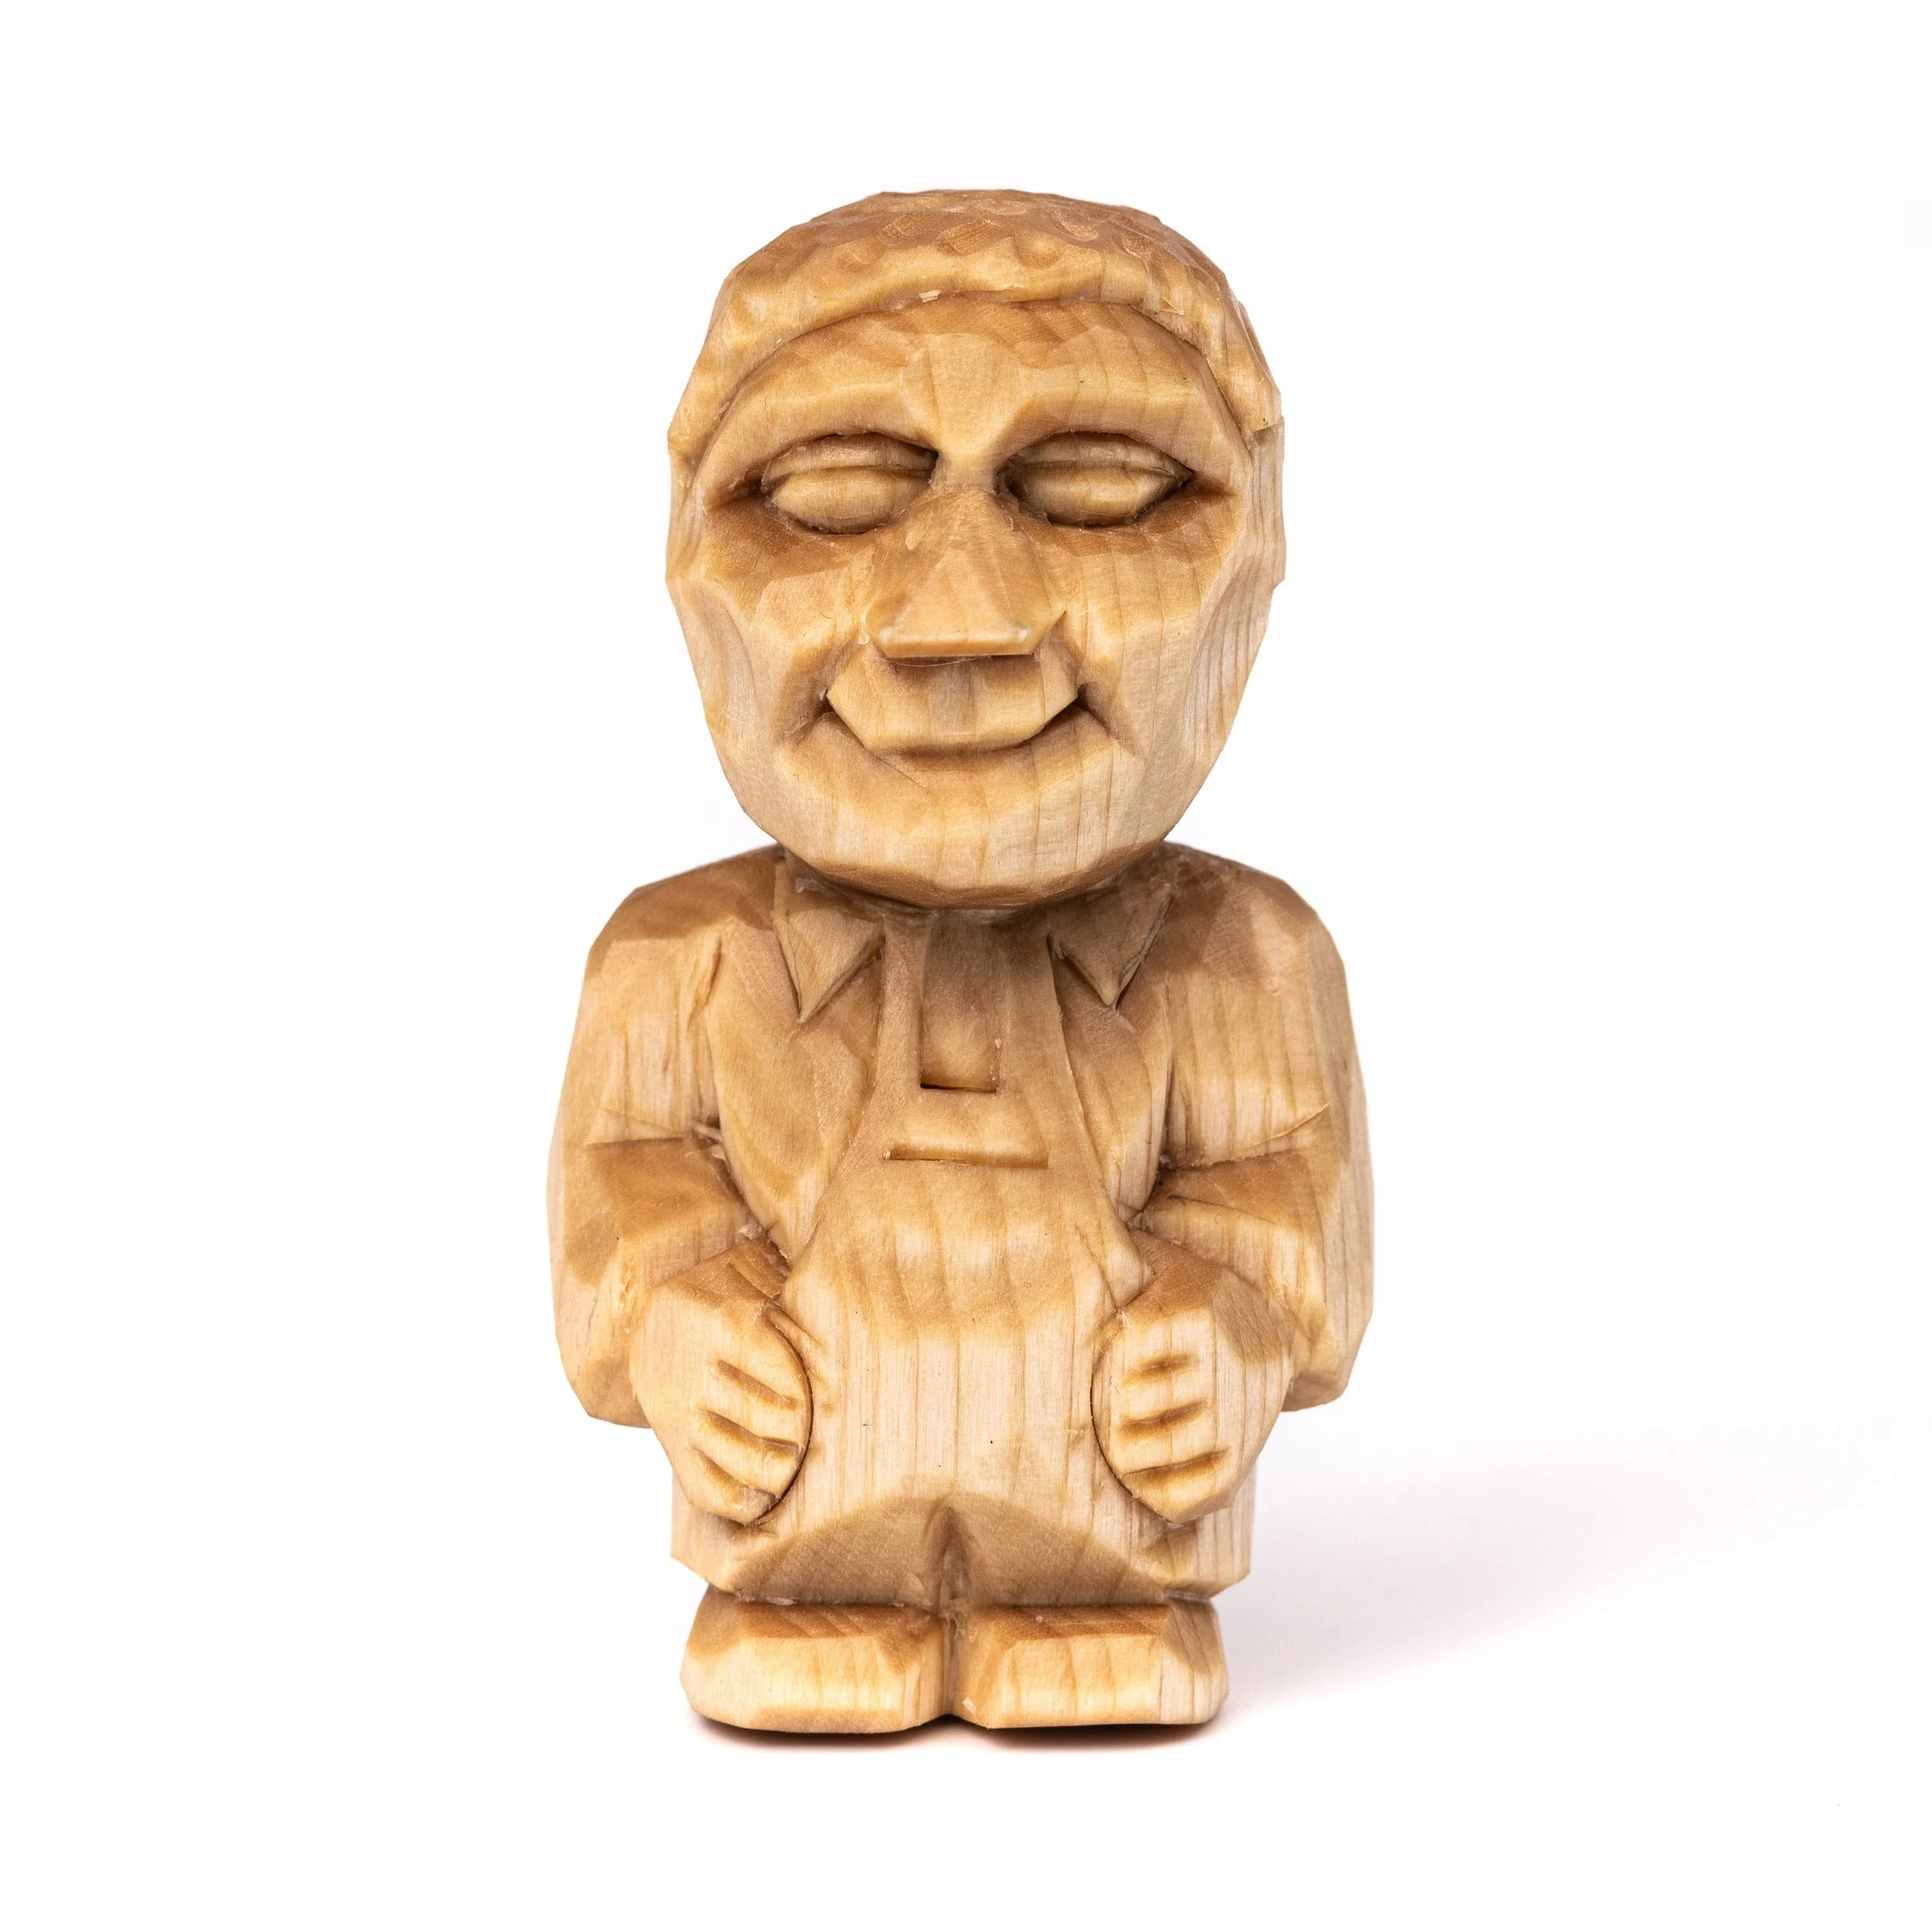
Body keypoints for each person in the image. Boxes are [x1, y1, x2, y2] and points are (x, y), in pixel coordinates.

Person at [549, 189, 1372, 1730]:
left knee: (1097, 1634)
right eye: (836, 495)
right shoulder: (678, 963)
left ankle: (1089, 1609)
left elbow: (1298, 1225)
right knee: (802, 1628)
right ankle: (814, 1606)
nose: (959, 620)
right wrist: (671, 1318)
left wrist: (1234, 1327)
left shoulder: (1244, 959)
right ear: (686, 555)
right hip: (797, 1515)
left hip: (1111, 1524)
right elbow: (622, 1188)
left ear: (1255, 560)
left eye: (1103, 493)